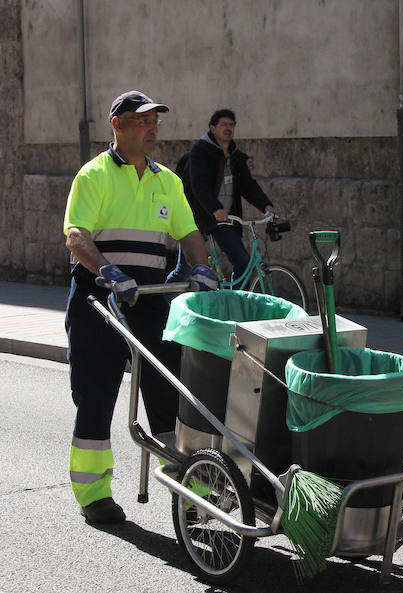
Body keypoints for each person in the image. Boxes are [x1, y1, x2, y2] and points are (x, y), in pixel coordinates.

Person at [64, 90, 218, 524]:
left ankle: (192, 495)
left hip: (148, 298)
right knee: (95, 394)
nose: (151, 129)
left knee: (170, 393)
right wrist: (108, 271)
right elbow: (77, 236)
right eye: (141, 121)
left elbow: (188, 233)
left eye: (156, 122)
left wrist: (201, 266)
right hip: (99, 298)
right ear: (117, 125)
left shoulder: (166, 180)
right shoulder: (93, 176)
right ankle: (94, 495)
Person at [167, 108, 276, 283]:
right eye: (223, 124)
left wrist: (265, 205)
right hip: (198, 217)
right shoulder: (200, 153)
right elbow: (199, 185)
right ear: (212, 128)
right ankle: (163, 301)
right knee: (185, 270)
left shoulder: (235, 157)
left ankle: (234, 303)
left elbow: (247, 184)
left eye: (231, 124)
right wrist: (215, 208)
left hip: (224, 220)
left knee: (243, 262)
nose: (228, 128)